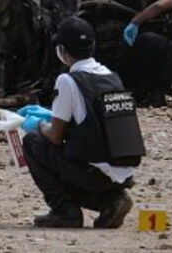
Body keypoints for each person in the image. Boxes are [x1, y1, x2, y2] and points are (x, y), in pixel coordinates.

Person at [21, 17, 143, 229]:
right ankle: (111, 201)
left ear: (61, 50)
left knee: (33, 143)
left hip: (93, 174)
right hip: (122, 171)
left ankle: (64, 212)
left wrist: (37, 125)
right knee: (70, 154)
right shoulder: (111, 76)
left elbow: (55, 136)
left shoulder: (68, 80)